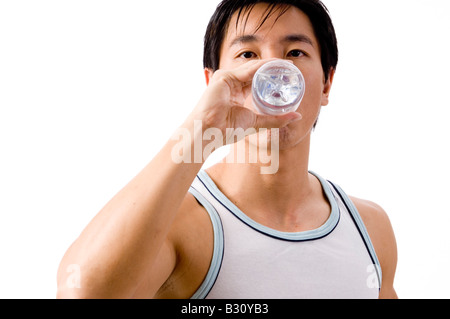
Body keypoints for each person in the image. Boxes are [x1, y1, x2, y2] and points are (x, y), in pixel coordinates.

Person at [57, 0, 398, 299]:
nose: (271, 73)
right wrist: (200, 130)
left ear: (326, 83)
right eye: (248, 54)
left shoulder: (369, 228)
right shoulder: (181, 224)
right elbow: (82, 293)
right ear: (212, 83)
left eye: (295, 53)